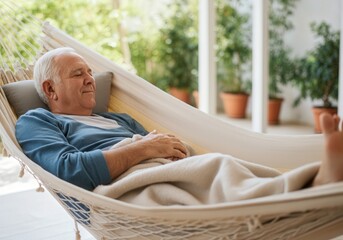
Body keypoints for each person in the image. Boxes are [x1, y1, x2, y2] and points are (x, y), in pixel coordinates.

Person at [15, 47, 343, 201]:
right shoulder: (38, 121)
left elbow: (166, 145)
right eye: (78, 74)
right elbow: (66, 170)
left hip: (161, 170)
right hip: (119, 192)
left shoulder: (117, 118)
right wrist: (142, 148)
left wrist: (166, 149)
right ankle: (310, 187)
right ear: (49, 89)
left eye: (90, 72)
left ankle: (308, 186)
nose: (90, 80)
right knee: (218, 166)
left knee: (221, 165)